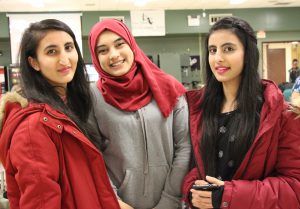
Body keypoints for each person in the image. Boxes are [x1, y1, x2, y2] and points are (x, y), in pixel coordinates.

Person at [0, 19, 121, 209]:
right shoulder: (34, 127)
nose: (65, 59)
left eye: (68, 47)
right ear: (34, 62)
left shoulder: (69, 108)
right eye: (51, 51)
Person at [182, 16, 300, 209]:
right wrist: (192, 189)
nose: (218, 58)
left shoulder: (282, 116)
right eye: (213, 50)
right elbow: (190, 165)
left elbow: (294, 188)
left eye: (228, 49)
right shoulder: (197, 110)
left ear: (248, 53)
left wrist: (228, 196)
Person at [88, 19, 191, 209]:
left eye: (120, 44)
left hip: (171, 202)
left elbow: (184, 147)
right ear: (95, 57)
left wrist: (169, 200)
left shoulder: (168, 87)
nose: (114, 55)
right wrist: (115, 202)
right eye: (103, 50)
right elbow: (93, 156)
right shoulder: (92, 98)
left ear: (132, 45)